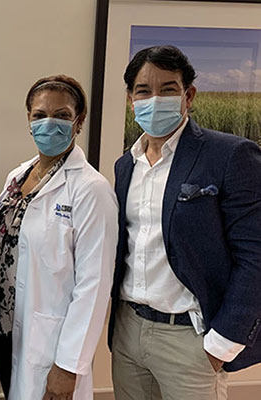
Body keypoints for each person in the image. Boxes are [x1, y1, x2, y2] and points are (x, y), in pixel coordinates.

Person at [109, 45, 261, 400]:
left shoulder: (229, 155)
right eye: (144, 91)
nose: (154, 98)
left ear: (188, 95)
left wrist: (221, 345)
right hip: (129, 331)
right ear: (131, 99)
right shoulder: (125, 166)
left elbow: (255, 256)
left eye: (168, 89)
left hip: (189, 339)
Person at [0, 75, 117, 400]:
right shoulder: (17, 177)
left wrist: (69, 365)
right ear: (28, 120)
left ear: (79, 121)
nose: (49, 123)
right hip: (4, 329)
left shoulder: (91, 189)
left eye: (61, 115)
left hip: (49, 342)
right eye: (40, 115)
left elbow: (95, 285)